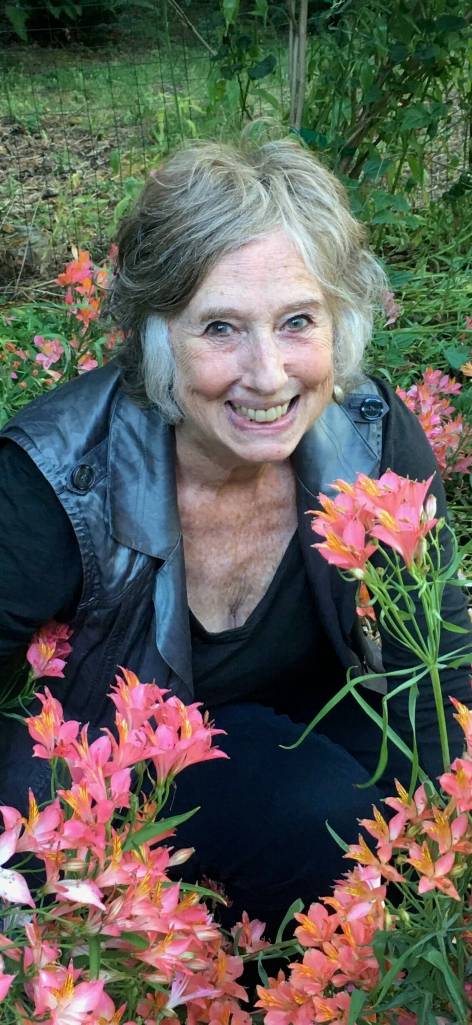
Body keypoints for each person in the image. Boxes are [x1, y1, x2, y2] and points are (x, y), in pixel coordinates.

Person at [0, 139, 470, 939]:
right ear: (156, 336)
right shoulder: (56, 477)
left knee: (355, 812)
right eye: (221, 327)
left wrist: (436, 873)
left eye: (298, 322)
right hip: (112, 771)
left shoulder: (370, 437)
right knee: (315, 811)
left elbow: (440, 668)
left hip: (295, 728)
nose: (268, 374)